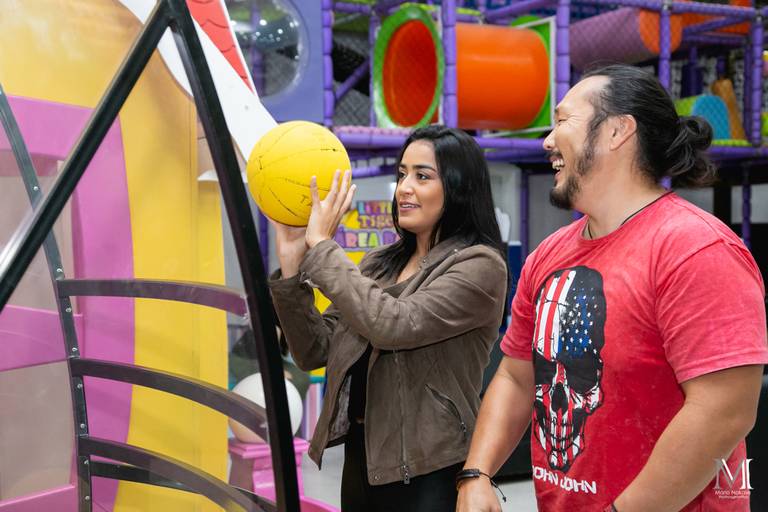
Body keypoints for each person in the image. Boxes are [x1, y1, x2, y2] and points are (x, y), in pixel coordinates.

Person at [456, 65, 768, 512]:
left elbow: (725, 412)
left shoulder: (696, 249)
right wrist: (477, 472)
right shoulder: (549, 254)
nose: (547, 140)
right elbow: (516, 375)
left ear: (618, 131)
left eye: (563, 121)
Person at [268, 125, 509, 511]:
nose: (404, 188)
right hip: (362, 459)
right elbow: (315, 349)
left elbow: (392, 324)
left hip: (429, 465)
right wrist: (292, 266)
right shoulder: (380, 263)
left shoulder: (479, 265)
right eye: (401, 174)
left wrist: (324, 248)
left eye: (422, 176)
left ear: (459, 188)